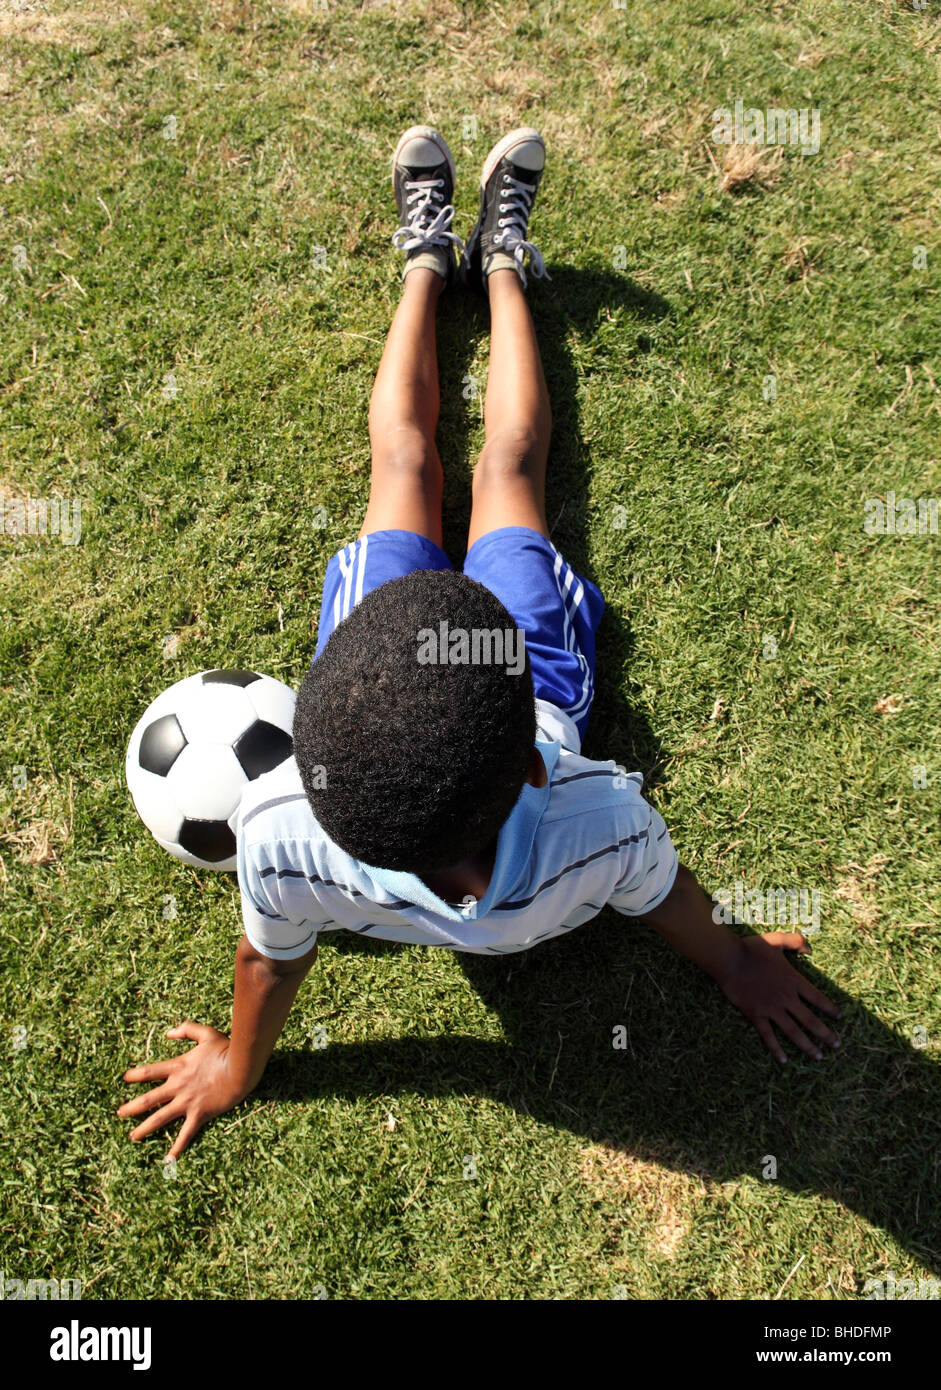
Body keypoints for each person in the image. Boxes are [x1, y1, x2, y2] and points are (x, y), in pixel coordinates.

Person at [120, 126, 841, 1160]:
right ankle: (482, 262)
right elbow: (665, 895)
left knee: (409, 465)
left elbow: (267, 964)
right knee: (503, 468)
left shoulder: (279, 830)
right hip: (526, 673)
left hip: (418, 664)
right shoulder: (596, 821)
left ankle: (444, 262)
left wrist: (239, 1062)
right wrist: (731, 964)